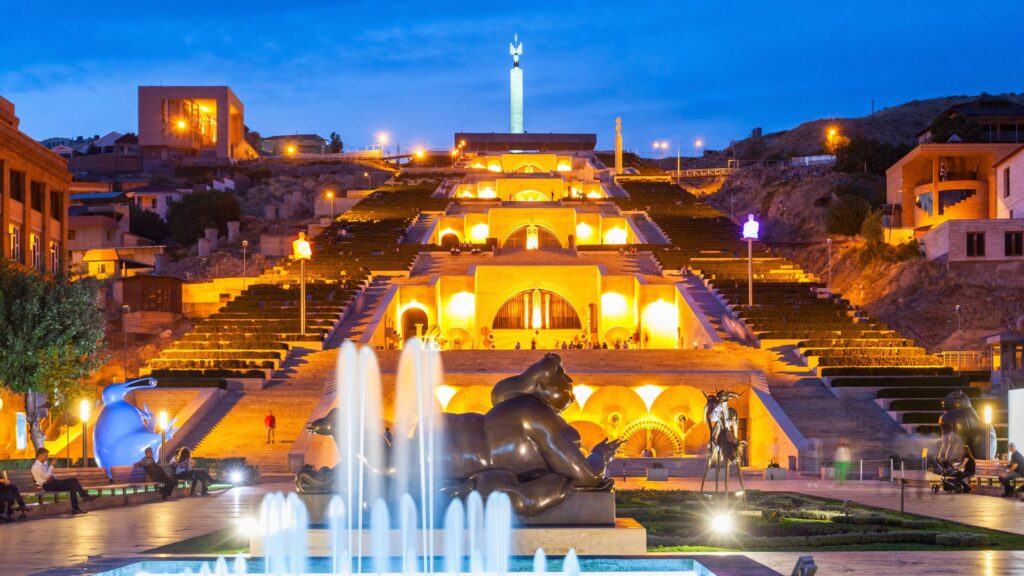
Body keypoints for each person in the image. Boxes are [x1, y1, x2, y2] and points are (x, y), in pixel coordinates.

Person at [31, 448, 94, 515]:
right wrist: (52, 466)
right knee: (73, 481)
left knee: (73, 484)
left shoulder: (43, 465)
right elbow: (46, 477)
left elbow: (51, 475)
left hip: (53, 483)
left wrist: (51, 476)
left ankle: (76, 508)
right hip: (48, 485)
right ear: (41, 455)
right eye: (46, 455)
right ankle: (83, 497)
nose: (47, 457)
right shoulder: (36, 466)